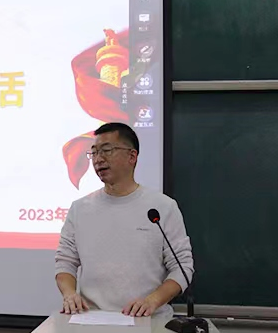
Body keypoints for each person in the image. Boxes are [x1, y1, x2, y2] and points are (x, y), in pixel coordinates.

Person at [55, 122, 194, 318]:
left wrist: (152, 301)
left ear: (132, 156)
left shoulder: (162, 207)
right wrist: (69, 294)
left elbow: (182, 267)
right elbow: (65, 263)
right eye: (94, 153)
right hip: (92, 319)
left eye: (107, 150)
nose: (98, 159)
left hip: (149, 320)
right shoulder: (80, 209)